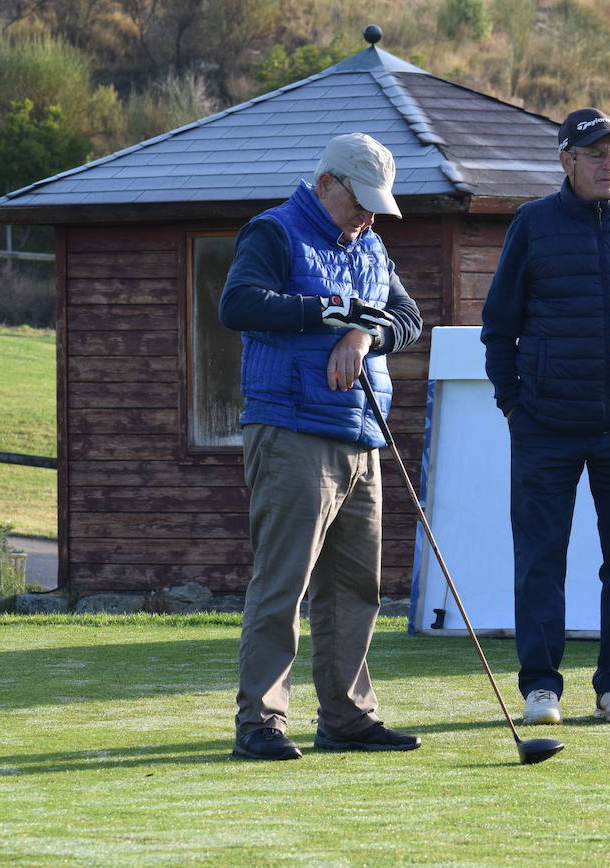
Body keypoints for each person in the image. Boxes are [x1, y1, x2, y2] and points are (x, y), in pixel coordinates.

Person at [479, 108, 610, 727]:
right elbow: (499, 329)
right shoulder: (532, 225)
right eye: (597, 154)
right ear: (567, 161)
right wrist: (513, 405)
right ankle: (541, 687)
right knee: (541, 557)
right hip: (544, 424)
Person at [219, 132, 424, 760]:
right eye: (359, 201)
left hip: (360, 430)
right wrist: (331, 313)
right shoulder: (273, 232)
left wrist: (364, 337)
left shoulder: (371, 244)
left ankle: (346, 717)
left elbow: (408, 319)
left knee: (356, 586)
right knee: (284, 583)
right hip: (290, 429)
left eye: (375, 205)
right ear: (327, 183)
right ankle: (260, 722)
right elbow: (239, 304)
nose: (367, 215)